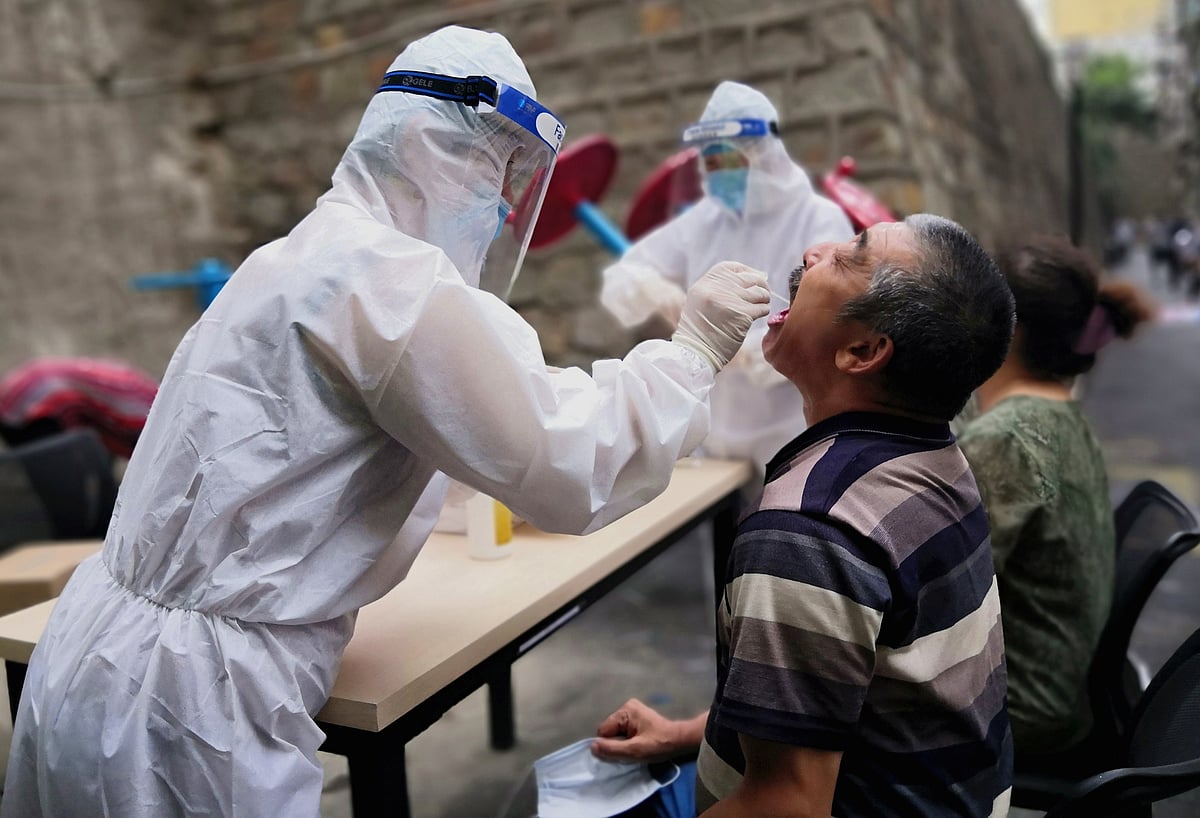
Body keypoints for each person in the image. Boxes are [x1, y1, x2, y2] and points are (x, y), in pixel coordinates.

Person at [2, 26, 772, 818]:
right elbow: (569, 460)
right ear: (433, 146)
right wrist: (692, 353)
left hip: (94, 656)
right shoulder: (390, 278)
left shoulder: (294, 256)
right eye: (496, 169)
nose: (503, 203)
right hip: (198, 710)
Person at [593, 216, 1016, 817]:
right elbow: (847, 684)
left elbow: (786, 806)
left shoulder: (809, 532)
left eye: (847, 258)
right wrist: (694, 735)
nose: (815, 251)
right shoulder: (934, 461)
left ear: (862, 351)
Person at [955, 236, 1155, 762]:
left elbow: (943, 590)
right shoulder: (1056, 412)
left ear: (1007, 330)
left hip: (1023, 705)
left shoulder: (1006, 438)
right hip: (1065, 688)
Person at [600, 81, 854, 473]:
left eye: (729, 161)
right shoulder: (706, 220)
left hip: (795, 434)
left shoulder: (817, 218)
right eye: (711, 164)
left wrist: (754, 352)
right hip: (716, 441)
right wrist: (653, 290)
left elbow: (829, 324)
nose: (719, 175)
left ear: (762, 154)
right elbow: (624, 275)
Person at [0, 356, 158, 458]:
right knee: (55, 472)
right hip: (34, 402)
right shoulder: (150, 422)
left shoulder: (147, 396)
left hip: (25, 387)